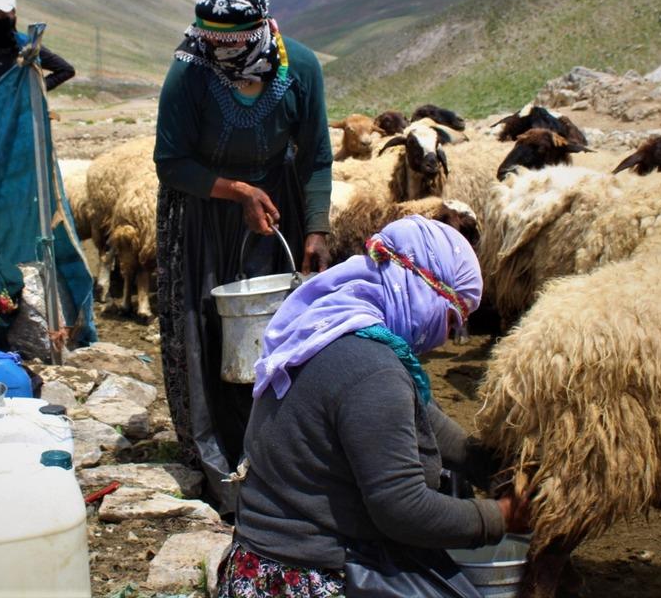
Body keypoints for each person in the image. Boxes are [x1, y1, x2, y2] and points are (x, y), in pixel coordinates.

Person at [220, 217, 531, 596]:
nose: (447, 341)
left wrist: (488, 464)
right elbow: (402, 507)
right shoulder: (373, 370)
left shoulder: (328, 324)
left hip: (258, 562)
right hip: (304, 576)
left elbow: (419, 416)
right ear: (421, 291)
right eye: (451, 321)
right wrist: (501, 517)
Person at [154, 0, 333, 514]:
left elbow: (317, 156)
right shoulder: (190, 71)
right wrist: (235, 192)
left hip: (276, 209)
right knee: (212, 336)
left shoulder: (299, 67)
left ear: (262, 24)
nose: (223, 52)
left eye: (234, 41)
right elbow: (170, 162)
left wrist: (318, 226)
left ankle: (289, 457)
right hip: (206, 211)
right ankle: (224, 463)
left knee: (282, 333)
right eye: (213, 39)